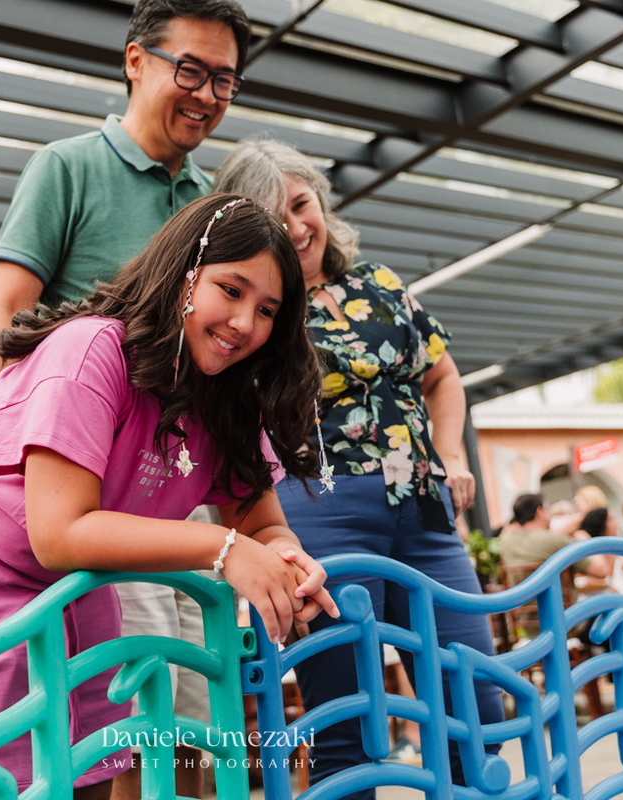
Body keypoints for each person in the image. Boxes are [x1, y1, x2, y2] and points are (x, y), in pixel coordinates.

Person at [0, 196, 338, 799]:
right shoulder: (94, 348)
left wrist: (285, 558)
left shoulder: (228, 396)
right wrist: (224, 549)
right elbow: (58, 532)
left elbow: (259, 523)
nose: (245, 323)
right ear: (185, 274)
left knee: (95, 756)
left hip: (84, 574)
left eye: (267, 310)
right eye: (231, 290)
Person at [0, 5, 249, 793]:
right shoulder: (66, 167)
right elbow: (4, 314)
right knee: (134, 713)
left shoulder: (216, 205)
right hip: (101, 481)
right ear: (135, 61)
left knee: (206, 713)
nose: (208, 95)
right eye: (191, 69)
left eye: (225, 79)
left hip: (189, 485)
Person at [212, 138, 502, 793]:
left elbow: (444, 376)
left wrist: (451, 453)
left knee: (474, 699)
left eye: (301, 203)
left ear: (320, 200)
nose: (295, 226)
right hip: (323, 512)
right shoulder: (260, 310)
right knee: (348, 720)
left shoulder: (379, 283)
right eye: (271, 215)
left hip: (424, 512)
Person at [500, 494, 612, 579]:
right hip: (558, 608)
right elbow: (602, 571)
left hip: (520, 607)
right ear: (540, 512)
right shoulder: (555, 540)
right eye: (548, 509)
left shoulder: (505, 540)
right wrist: (585, 540)